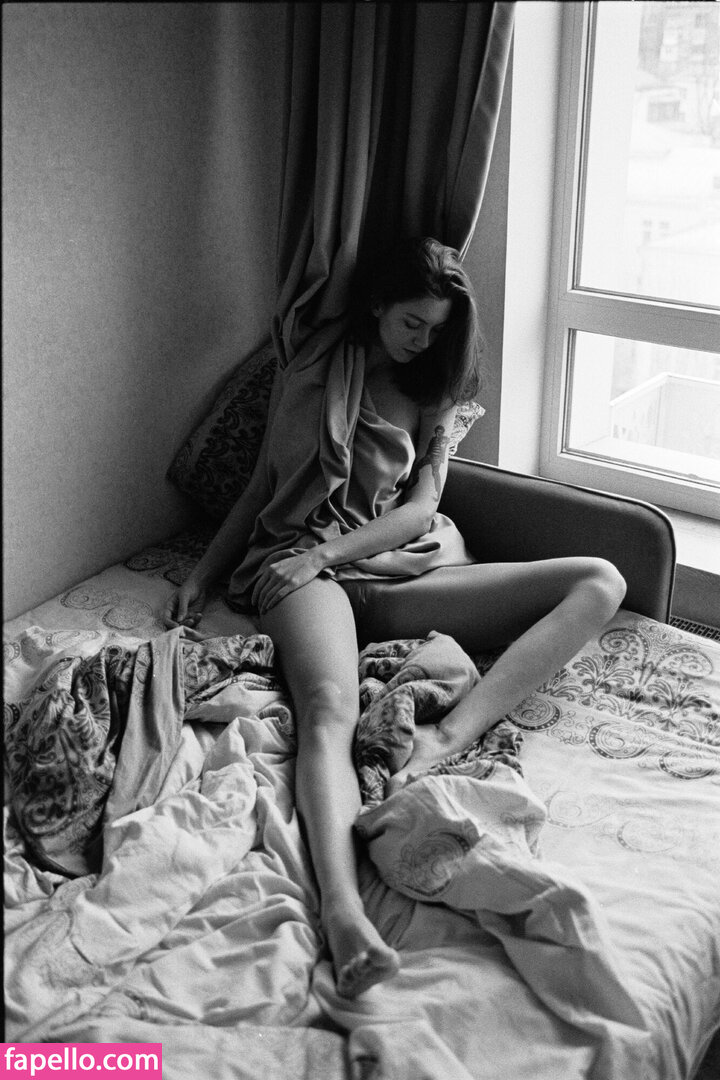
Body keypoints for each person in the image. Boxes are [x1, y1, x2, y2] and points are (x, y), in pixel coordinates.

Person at [164, 237, 626, 999]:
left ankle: (451, 735)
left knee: (600, 581)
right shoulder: (310, 364)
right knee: (329, 711)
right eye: (413, 323)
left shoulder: (433, 393)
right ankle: (343, 912)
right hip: (298, 563)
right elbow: (261, 488)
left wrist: (331, 553)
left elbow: (418, 510)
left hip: (392, 564)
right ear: (378, 304)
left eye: (437, 330)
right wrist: (204, 573)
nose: (423, 340)